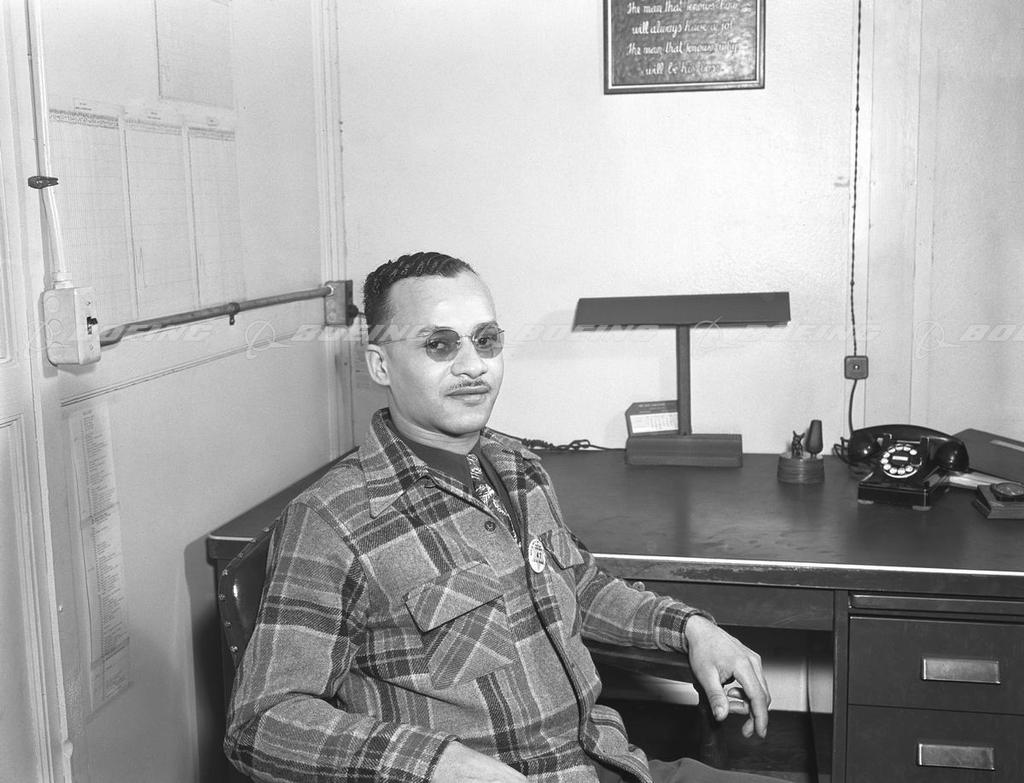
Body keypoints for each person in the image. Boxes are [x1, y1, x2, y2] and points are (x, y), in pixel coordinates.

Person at [225, 252, 775, 783]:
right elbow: (262, 723)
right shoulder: (332, 521)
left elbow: (577, 585)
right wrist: (434, 765)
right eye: (439, 344)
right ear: (380, 365)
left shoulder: (518, 466)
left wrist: (690, 627)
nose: (473, 365)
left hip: (608, 761)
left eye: (485, 340)